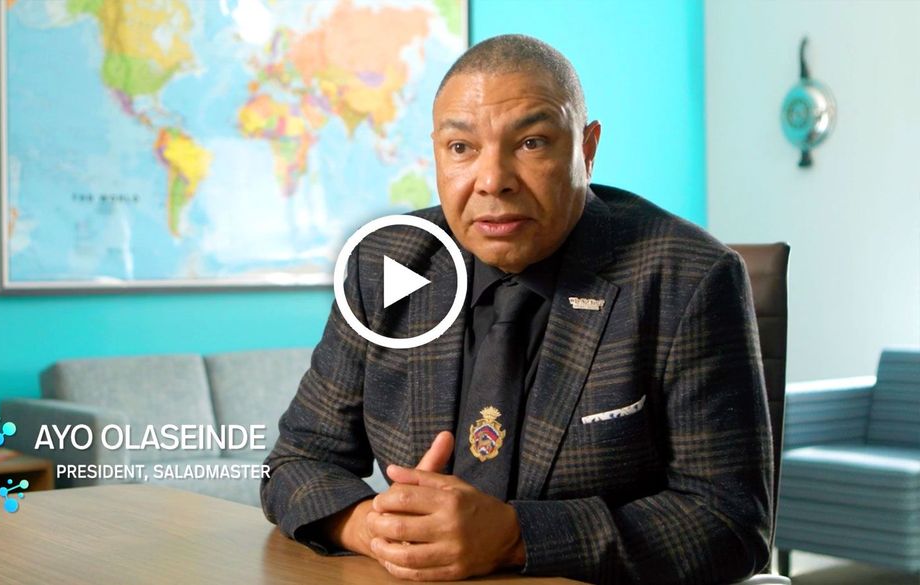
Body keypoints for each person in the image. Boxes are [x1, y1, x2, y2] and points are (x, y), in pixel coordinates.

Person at [261, 34, 773, 584]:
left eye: (531, 143)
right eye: (461, 148)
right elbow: (293, 463)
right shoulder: (386, 263)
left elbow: (730, 522)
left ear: (587, 148)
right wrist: (373, 527)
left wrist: (515, 536)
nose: (492, 181)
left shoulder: (687, 277)